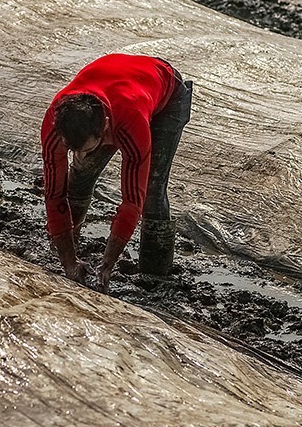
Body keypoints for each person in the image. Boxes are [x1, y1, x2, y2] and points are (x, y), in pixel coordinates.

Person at [41, 53, 193, 293]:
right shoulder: (55, 119)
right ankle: (71, 242)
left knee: (152, 190)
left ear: (104, 129)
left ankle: (155, 274)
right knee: (79, 175)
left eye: (88, 148)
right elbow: (54, 194)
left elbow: (132, 200)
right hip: (119, 87)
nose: (80, 154)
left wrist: (107, 265)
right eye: (73, 149)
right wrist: (69, 262)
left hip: (166, 95)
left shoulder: (130, 122)